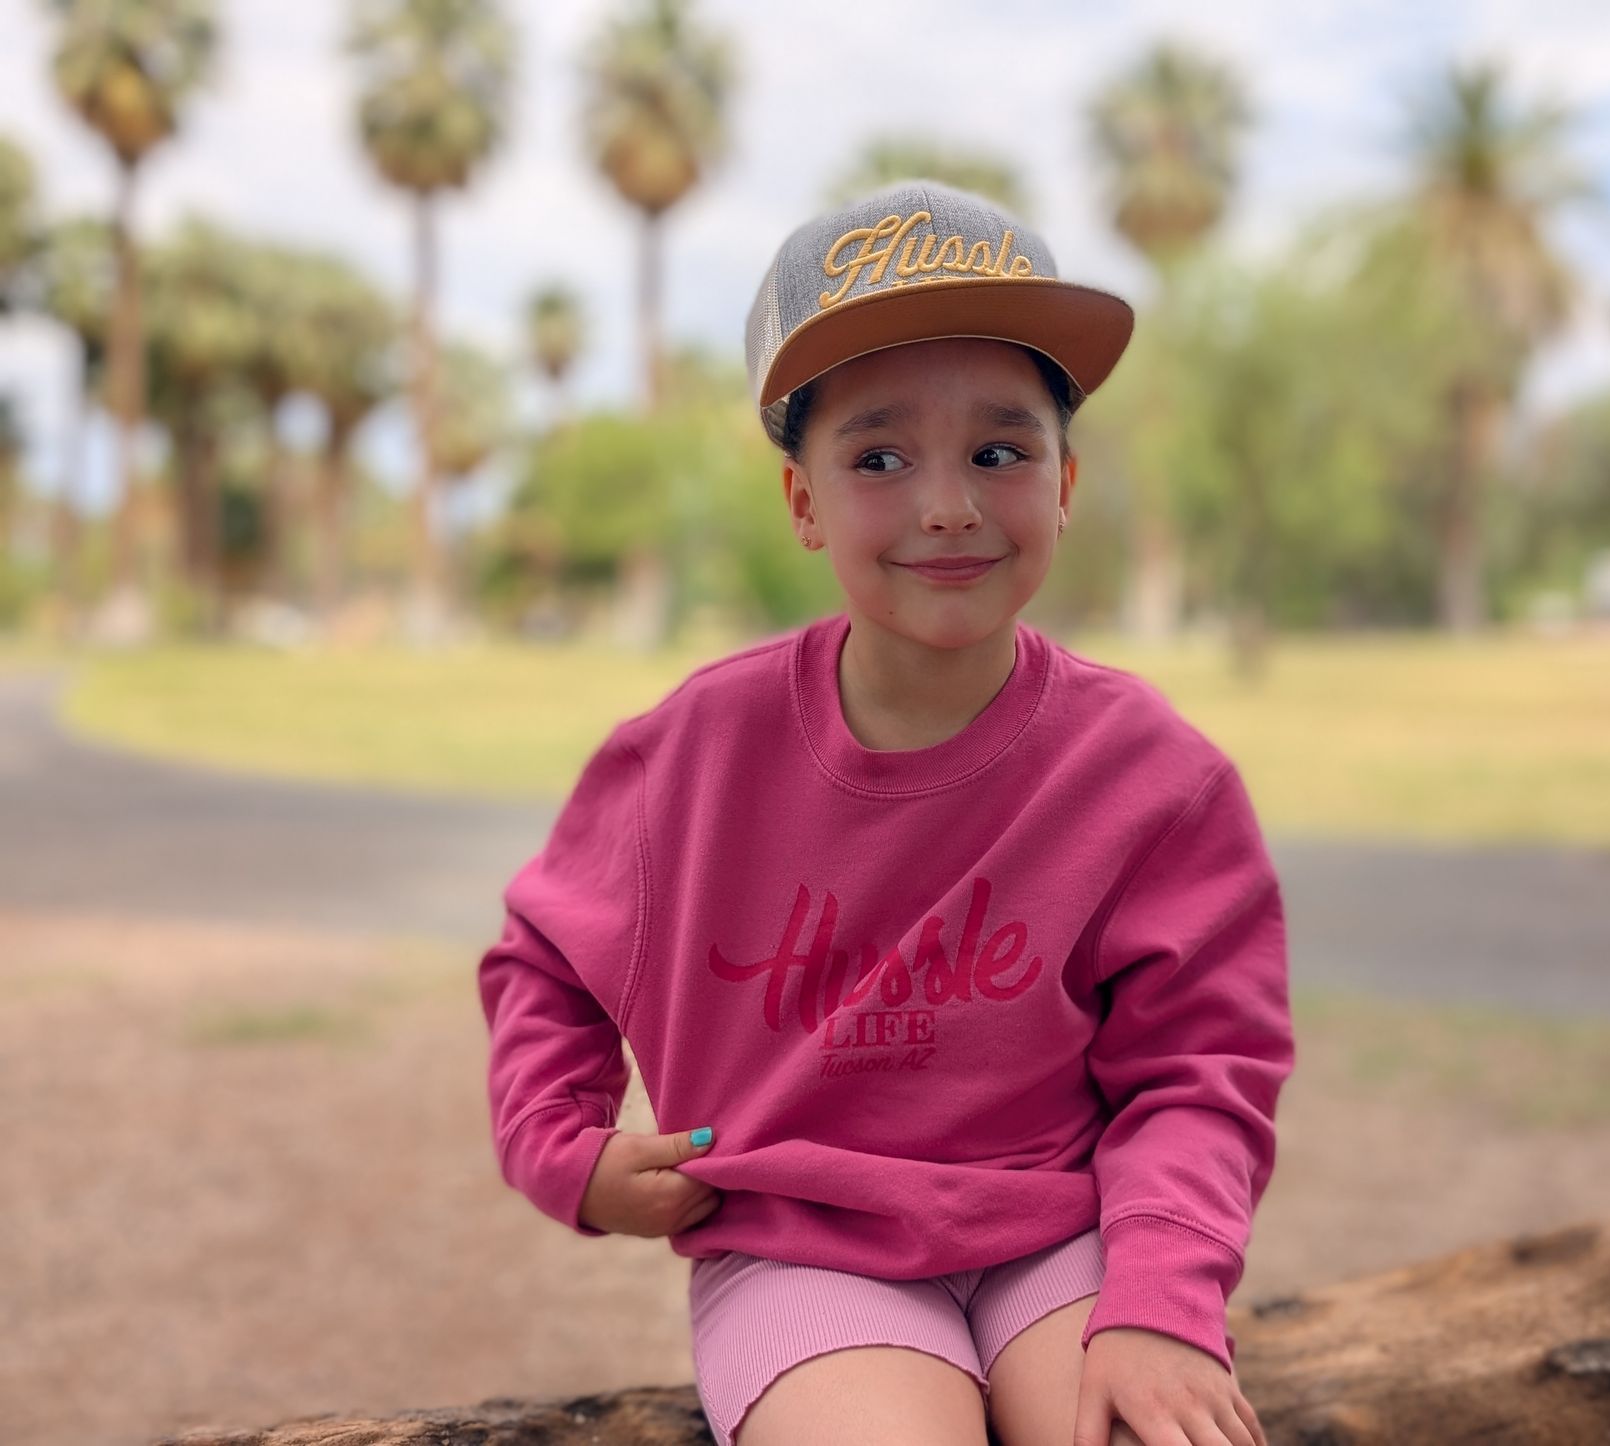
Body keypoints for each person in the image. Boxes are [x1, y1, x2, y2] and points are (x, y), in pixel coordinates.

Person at [477, 179, 1294, 1446]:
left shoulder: (1153, 776)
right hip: (803, 1246)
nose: (949, 503)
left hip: (1064, 1230)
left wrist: (1163, 1301)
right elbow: (545, 957)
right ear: (802, 501)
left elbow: (1200, 1071)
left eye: (1000, 451)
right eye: (878, 457)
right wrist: (562, 1149)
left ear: (1065, 482)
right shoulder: (689, 755)